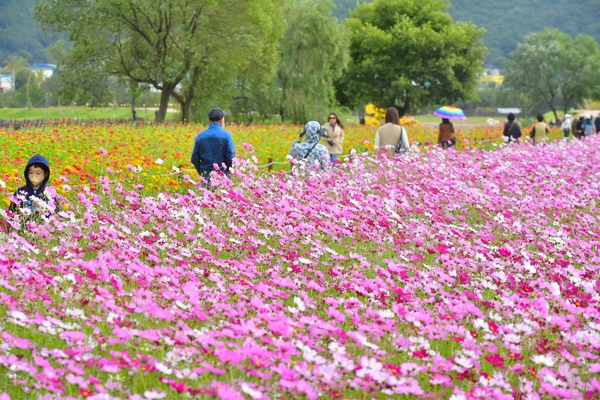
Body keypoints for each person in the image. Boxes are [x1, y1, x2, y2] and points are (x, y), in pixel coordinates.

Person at [8, 154, 60, 221]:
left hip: (44, 228)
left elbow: (57, 214)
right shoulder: (20, 192)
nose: (34, 176)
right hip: (22, 228)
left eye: (38, 173)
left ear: (45, 174)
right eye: (31, 172)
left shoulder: (50, 193)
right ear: (27, 173)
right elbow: (11, 213)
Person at [190, 107, 235, 185]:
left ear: (209, 120)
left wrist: (202, 172)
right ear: (221, 121)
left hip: (207, 177)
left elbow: (194, 158)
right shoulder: (226, 136)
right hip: (224, 177)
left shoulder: (200, 137)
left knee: (208, 196)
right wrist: (229, 173)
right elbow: (230, 157)